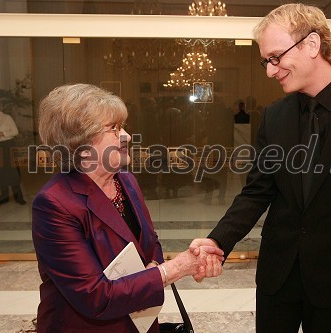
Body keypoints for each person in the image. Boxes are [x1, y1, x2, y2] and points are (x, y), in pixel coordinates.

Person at [190, 4, 331, 333]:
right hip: (278, 282)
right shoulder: (275, 116)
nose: (270, 70)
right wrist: (217, 242)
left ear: (311, 45)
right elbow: (256, 192)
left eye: (275, 57)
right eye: (266, 61)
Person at [32, 84, 223, 333]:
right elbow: (95, 296)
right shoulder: (54, 204)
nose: (127, 136)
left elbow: (150, 241)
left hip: (138, 322)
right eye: (114, 128)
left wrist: (156, 270)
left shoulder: (125, 179)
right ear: (81, 140)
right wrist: (175, 268)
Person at [0, 96, 26, 205]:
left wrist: (2, 133)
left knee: (12, 171)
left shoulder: (6, 118)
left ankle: (19, 197)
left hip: (8, 146)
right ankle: (4, 197)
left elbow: (15, 131)